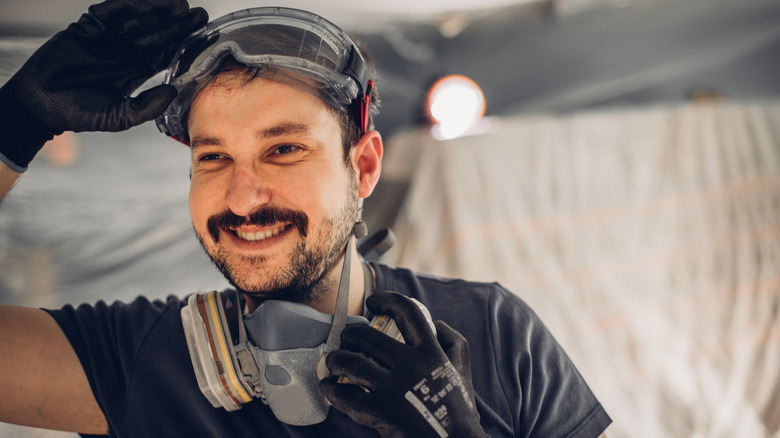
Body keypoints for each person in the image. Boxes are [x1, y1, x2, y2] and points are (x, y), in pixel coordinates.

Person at [0, 1, 612, 437]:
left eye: (284, 149)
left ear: (364, 167)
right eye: (213, 158)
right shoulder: (142, 361)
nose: (241, 199)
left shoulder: (497, 331)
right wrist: (15, 123)